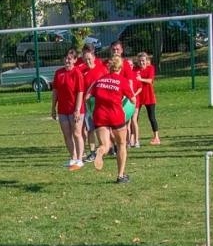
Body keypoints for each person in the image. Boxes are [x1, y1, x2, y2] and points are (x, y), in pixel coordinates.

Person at [88, 54, 135, 183]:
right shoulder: (122, 81)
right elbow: (133, 99)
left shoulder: (99, 80)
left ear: (109, 67)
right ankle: (120, 176)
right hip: (116, 116)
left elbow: (87, 96)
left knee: (105, 145)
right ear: (120, 68)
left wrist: (91, 108)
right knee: (121, 145)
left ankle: (100, 151)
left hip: (100, 115)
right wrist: (125, 99)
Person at [52, 50, 85, 168]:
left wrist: (77, 110)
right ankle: (73, 157)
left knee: (77, 133)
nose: (67, 61)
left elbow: (80, 92)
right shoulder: (58, 73)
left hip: (76, 109)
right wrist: (53, 108)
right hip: (62, 110)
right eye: (66, 58)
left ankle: (80, 159)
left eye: (70, 59)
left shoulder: (77, 73)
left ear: (75, 60)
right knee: (67, 134)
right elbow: (55, 91)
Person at [135, 50, 159, 145]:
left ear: (147, 60)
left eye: (143, 60)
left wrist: (140, 79)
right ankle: (134, 138)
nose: (142, 62)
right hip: (138, 97)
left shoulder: (150, 68)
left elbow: (150, 80)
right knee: (135, 118)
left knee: (152, 117)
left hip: (149, 96)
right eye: (140, 61)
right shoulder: (136, 69)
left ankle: (156, 137)